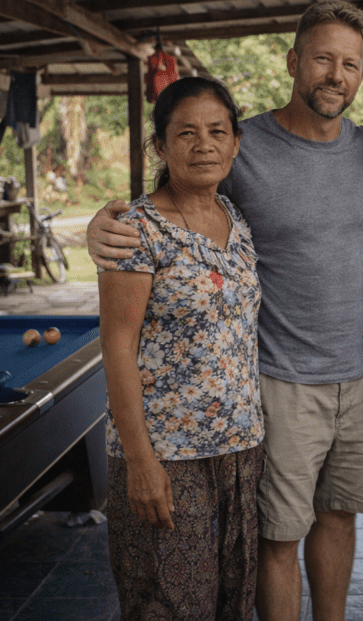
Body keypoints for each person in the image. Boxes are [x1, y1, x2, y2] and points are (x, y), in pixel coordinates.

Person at [89, 0, 363, 621]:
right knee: (272, 541)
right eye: (322, 59)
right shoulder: (242, 142)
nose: (336, 75)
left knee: (333, 521)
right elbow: (167, 196)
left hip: (345, 383)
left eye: (351, 64)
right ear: (292, 62)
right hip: (277, 383)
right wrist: (102, 222)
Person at [98, 76, 263, 619]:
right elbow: (117, 346)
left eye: (218, 131)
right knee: (169, 603)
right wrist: (140, 463)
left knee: (230, 600)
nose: (204, 144)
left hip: (238, 449)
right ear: (161, 146)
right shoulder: (135, 230)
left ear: (236, 143)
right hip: (168, 454)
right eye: (186, 132)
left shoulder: (235, 220)